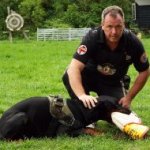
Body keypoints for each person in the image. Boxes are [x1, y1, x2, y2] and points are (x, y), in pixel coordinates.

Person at [62, 5, 150, 128]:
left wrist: (129, 97)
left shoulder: (133, 42)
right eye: (109, 26)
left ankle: (120, 92)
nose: (114, 32)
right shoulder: (92, 37)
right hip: (89, 77)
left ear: (123, 25)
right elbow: (74, 68)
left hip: (112, 82)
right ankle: (87, 115)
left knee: (119, 115)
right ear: (102, 25)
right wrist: (81, 95)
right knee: (67, 74)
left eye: (118, 26)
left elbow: (144, 71)